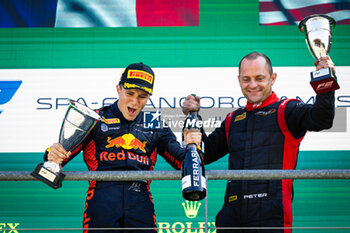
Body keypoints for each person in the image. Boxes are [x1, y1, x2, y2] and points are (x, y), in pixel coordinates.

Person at [182, 52, 336, 232]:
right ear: (239, 80)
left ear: (273, 78)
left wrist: (325, 79)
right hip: (231, 214)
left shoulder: (287, 109)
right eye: (246, 79)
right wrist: (193, 117)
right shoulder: (233, 118)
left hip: (270, 215)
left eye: (259, 78)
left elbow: (322, 119)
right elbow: (205, 154)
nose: (252, 85)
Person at [46, 62, 200, 233]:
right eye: (130, 93)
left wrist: (192, 144)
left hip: (140, 200)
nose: (134, 102)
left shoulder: (154, 123)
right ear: (118, 89)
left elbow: (183, 161)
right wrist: (53, 154)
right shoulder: (96, 118)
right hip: (102, 198)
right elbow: (58, 158)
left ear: (149, 97)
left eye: (142, 96)